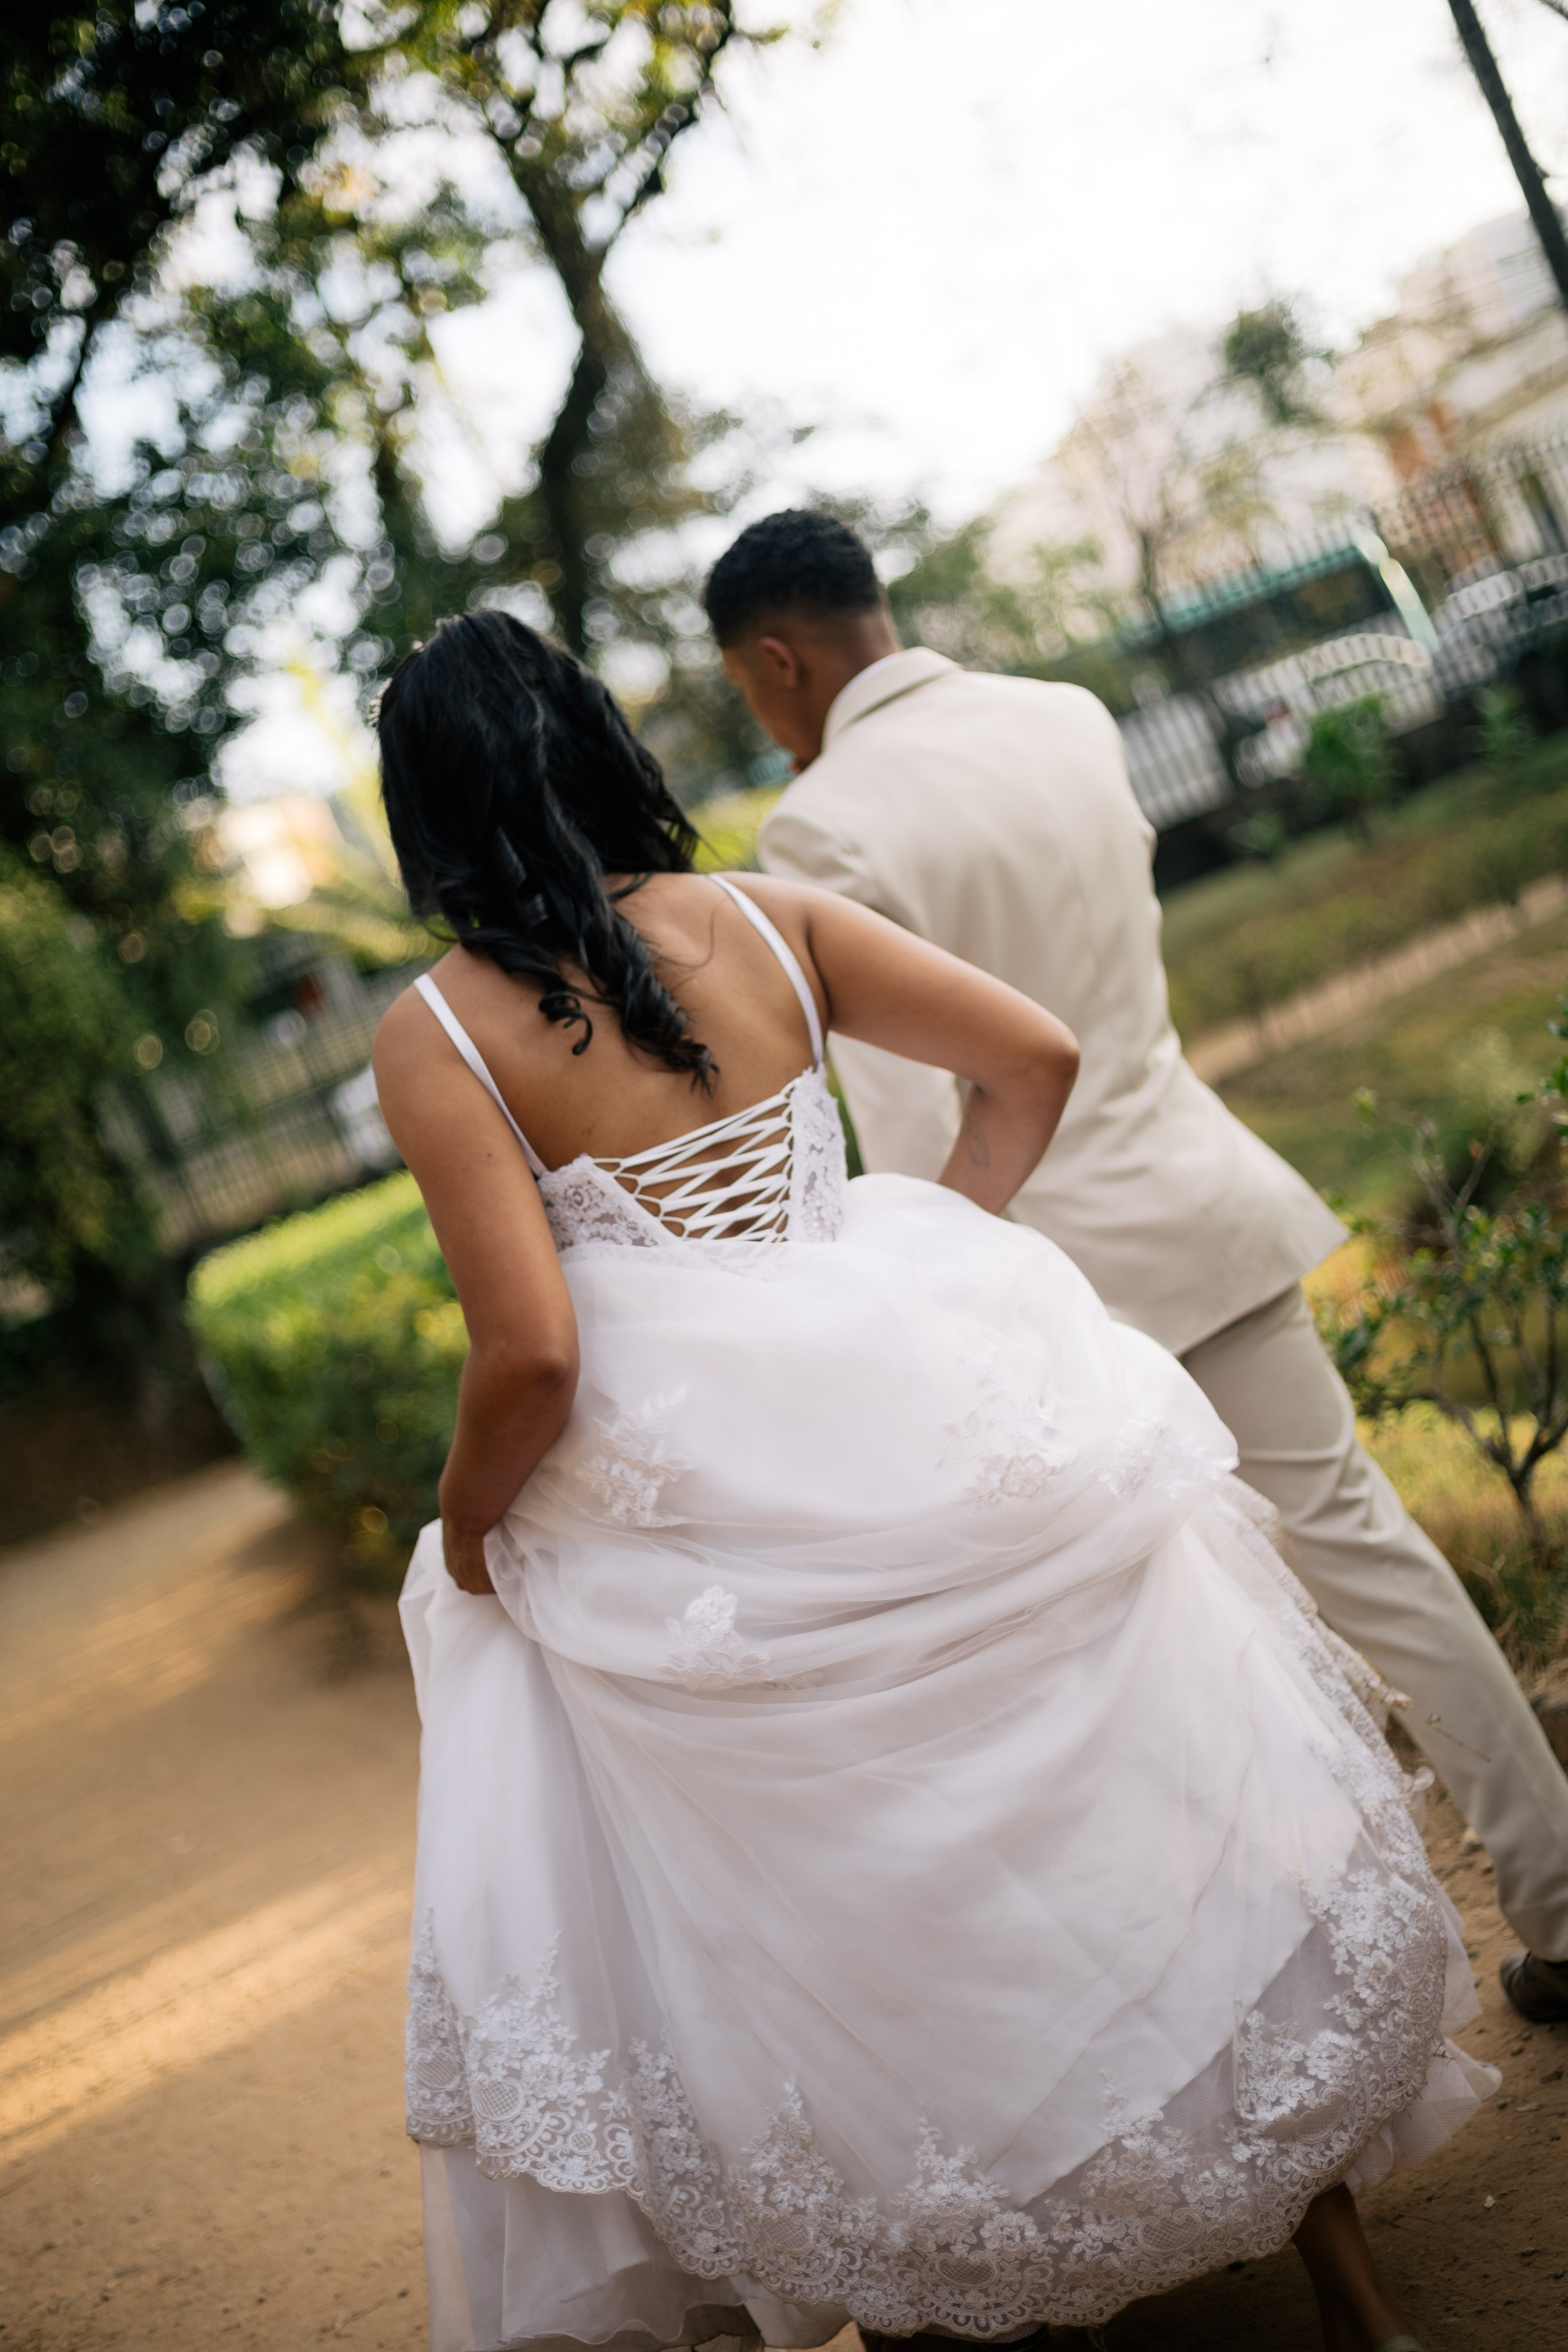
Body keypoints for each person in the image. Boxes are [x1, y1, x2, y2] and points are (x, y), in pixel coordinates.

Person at [374, 609, 1492, 2352]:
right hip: (937, 1415)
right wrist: (919, 1263)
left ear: (425, 812)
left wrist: (464, 1531)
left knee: (847, 1897)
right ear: (593, 741)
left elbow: (532, 1357)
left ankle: (956, 2283)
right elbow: (1033, 1057)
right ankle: (1358, 2305)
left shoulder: (439, 1038)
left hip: (723, 1526)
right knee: (1135, 1809)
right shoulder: (766, 914)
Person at [704, 507, 1568, 2031]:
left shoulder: (819, 827)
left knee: (1129, 1666)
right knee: (1364, 1550)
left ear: (776, 662)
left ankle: (1271, 2020)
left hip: (1053, 1294)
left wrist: (934, 1309)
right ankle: (1559, 1900)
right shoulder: (1065, 717)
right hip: (1194, 1198)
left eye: (744, 691)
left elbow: (910, 1120)